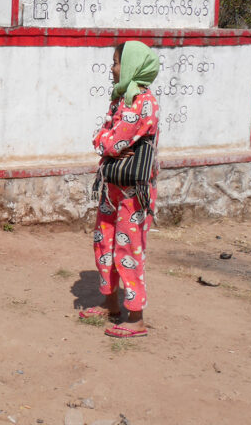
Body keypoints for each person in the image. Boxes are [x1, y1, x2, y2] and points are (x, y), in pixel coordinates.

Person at [81, 40, 160, 338]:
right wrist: (107, 141)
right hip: (112, 186)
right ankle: (110, 302)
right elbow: (105, 136)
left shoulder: (143, 102)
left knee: (128, 249)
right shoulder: (121, 99)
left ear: (131, 66)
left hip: (133, 192)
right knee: (105, 242)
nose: (112, 69)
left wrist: (107, 142)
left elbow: (112, 141)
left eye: (116, 62)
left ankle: (136, 317)